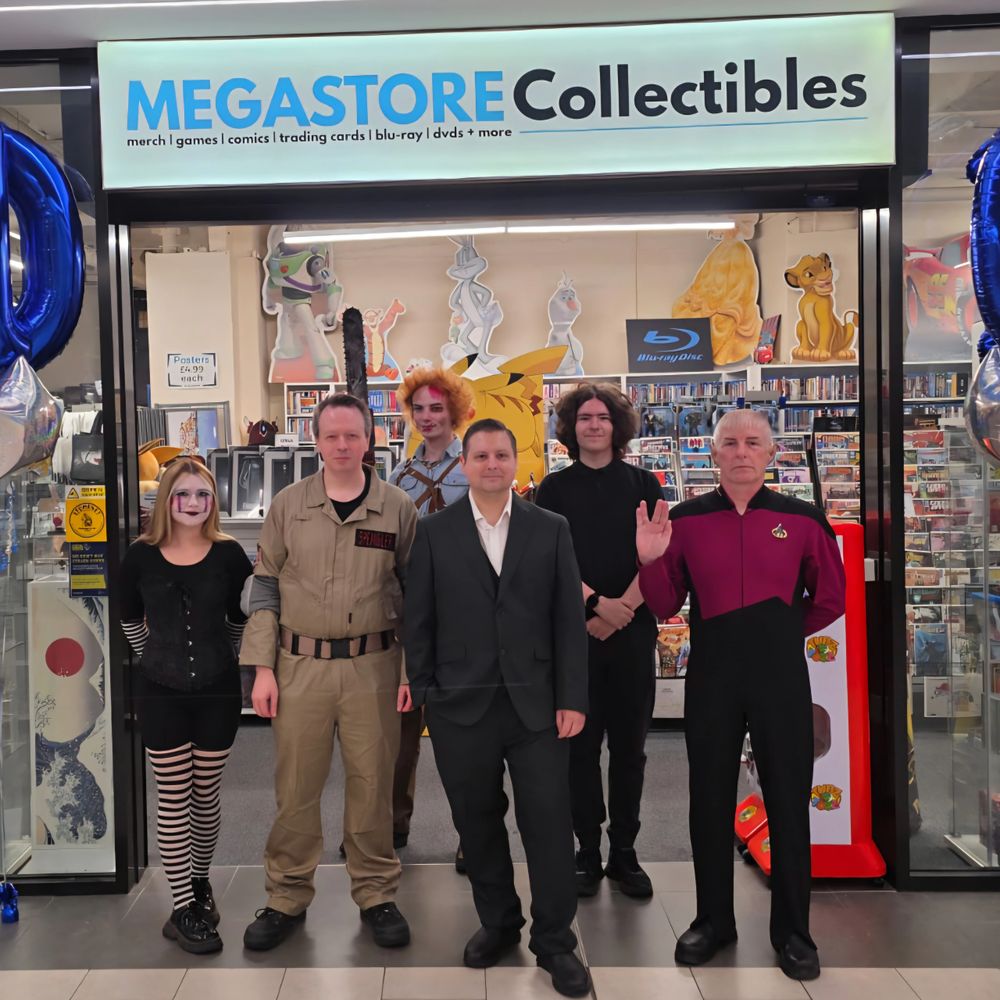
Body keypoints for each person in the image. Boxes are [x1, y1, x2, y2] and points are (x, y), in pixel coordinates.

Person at [635, 409, 845, 982]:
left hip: (780, 677)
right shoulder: (685, 520)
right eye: (730, 443)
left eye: (753, 442)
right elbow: (661, 604)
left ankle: (794, 933)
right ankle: (712, 919)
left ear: (771, 454)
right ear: (715, 452)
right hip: (713, 676)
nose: (742, 452)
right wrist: (650, 561)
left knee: (787, 803)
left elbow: (831, 598)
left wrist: (776, 630)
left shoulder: (803, 519)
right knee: (707, 801)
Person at [403, 418, 592, 998]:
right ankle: (499, 922)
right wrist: (426, 690)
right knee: (477, 823)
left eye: (501, 455)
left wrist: (572, 699)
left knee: (548, 825)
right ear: (463, 463)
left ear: (517, 462)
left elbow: (567, 620)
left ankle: (555, 941)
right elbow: (419, 620)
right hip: (461, 707)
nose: (491, 464)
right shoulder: (433, 533)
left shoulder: (550, 528)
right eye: (480, 455)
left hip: (538, 707)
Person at [240, 393, 418, 951]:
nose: (343, 446)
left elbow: (415, 595)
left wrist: (411, 671)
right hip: (299, 669)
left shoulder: (397, 509)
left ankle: (376, 893)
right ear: (315, 441)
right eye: (332, 436)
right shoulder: (289, 506)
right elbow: (264, 588)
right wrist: (260, 669)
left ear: (370, 440)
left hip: (375, 667)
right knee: (296, 786)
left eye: (353, 435)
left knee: (373, 784)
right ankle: (286, 897)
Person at [119, 459, 253, 955]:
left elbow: (240, 619)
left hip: (218, 689)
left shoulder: (230, 554)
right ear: (166, 500)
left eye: (202, 494)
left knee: (206, 792)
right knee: (174, 795)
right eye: (183, 494)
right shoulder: (141, 556)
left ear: (212, 501)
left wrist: (228, 657)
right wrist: (156, 656)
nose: (193, 503)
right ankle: (182, 909)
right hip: (161, 689)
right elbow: (129, 618)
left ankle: (199, 881)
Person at [535, 383, 662, 899]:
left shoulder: (644, 482)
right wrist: (593, 606)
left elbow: (657, 556)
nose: (593, 425)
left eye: (602, 417)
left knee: (630, 751)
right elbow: (547, 562)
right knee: (579, 751)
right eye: (584, 417)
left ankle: (624, 852)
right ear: (570, 427)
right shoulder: (553, 489)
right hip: (574, 637)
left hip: (632, 633)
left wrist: (623, 608)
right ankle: (586, 852)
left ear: (617, 426)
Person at [389, 366, 473, 868]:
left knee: (461, 734)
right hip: (407, 613)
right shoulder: (398, 476)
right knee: (399, 730)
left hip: (461, 614)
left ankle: (471, 831)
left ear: (455, 411)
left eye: (436, 408)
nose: (426, 417)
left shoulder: (475, 465)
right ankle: (393, 823)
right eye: (418, 408)